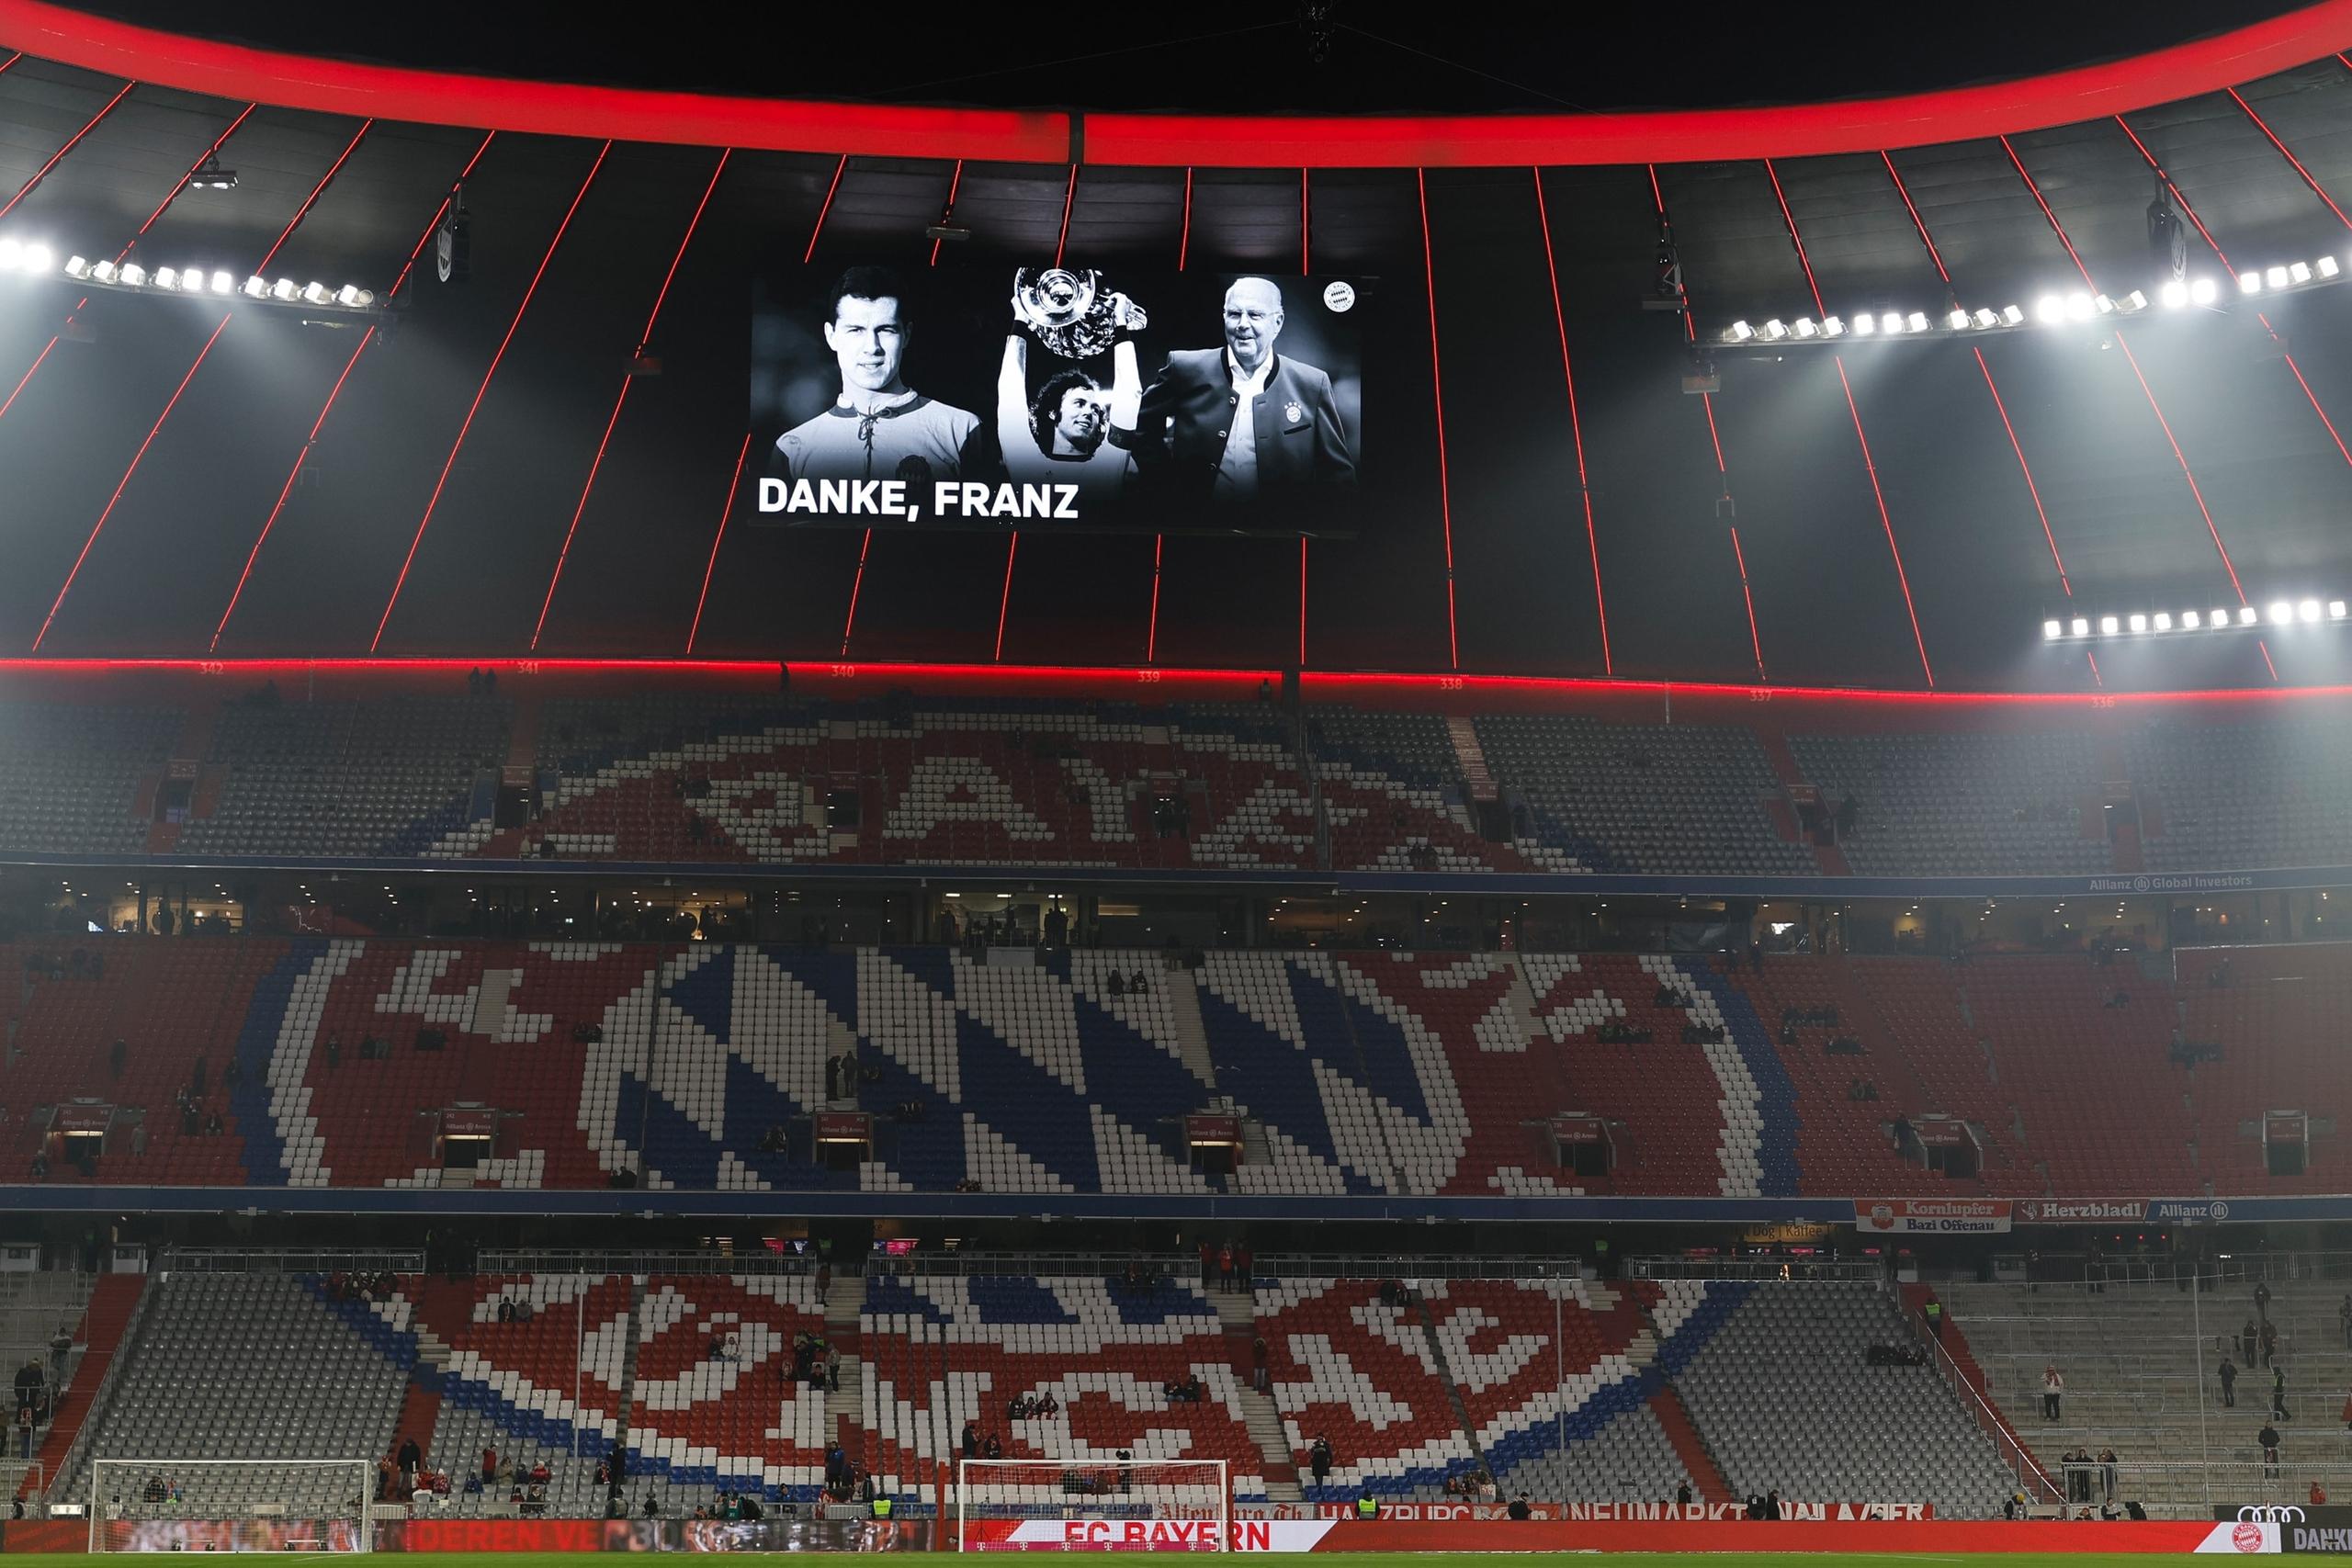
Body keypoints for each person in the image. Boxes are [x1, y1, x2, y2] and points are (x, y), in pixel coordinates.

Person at [1122, 276, 1356, 512]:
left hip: (1280, 532)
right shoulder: (1184, 368)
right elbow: (1140, 425)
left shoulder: (1312, 383)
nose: (1242, 324)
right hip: (1197, 525)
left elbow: (1337, 474)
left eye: (1255, 315)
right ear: (1224, 318)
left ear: (1278, 323)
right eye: (1234, 314)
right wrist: (1165, 485)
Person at [771, 265, 983, 489]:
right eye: (855, 330)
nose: (872, 347)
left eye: (886, 330)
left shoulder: (961, 430)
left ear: (906, 335)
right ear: (831, 336)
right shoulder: (792, 448)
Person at [996, 288, 1147, 510]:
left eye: (1096, 409)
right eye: (1079, 403)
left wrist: (1120, 323)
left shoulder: (1111, 460)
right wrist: (1020, 319)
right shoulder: (1024, 460)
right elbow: (1010, 392)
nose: (1089, 412)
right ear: (1053, 412)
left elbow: (1130, 394)